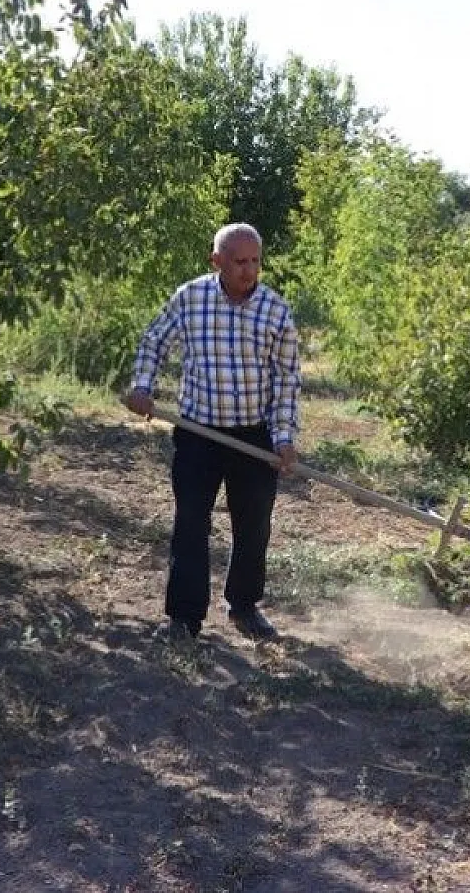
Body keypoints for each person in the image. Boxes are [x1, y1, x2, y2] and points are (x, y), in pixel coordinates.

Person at [123, 222, 302, 642]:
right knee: (190, 523)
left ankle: (244, 605)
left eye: (255, 261)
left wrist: (283, 438)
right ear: (216, 261)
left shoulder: (275, 311)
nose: (248, 270)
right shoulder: (191, 298)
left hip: (252, 435)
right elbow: (154, 341)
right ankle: (184, 619)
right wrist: (143, 386)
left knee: (253, 524)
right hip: (198, 432)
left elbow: (287, 381)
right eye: (239, 262)